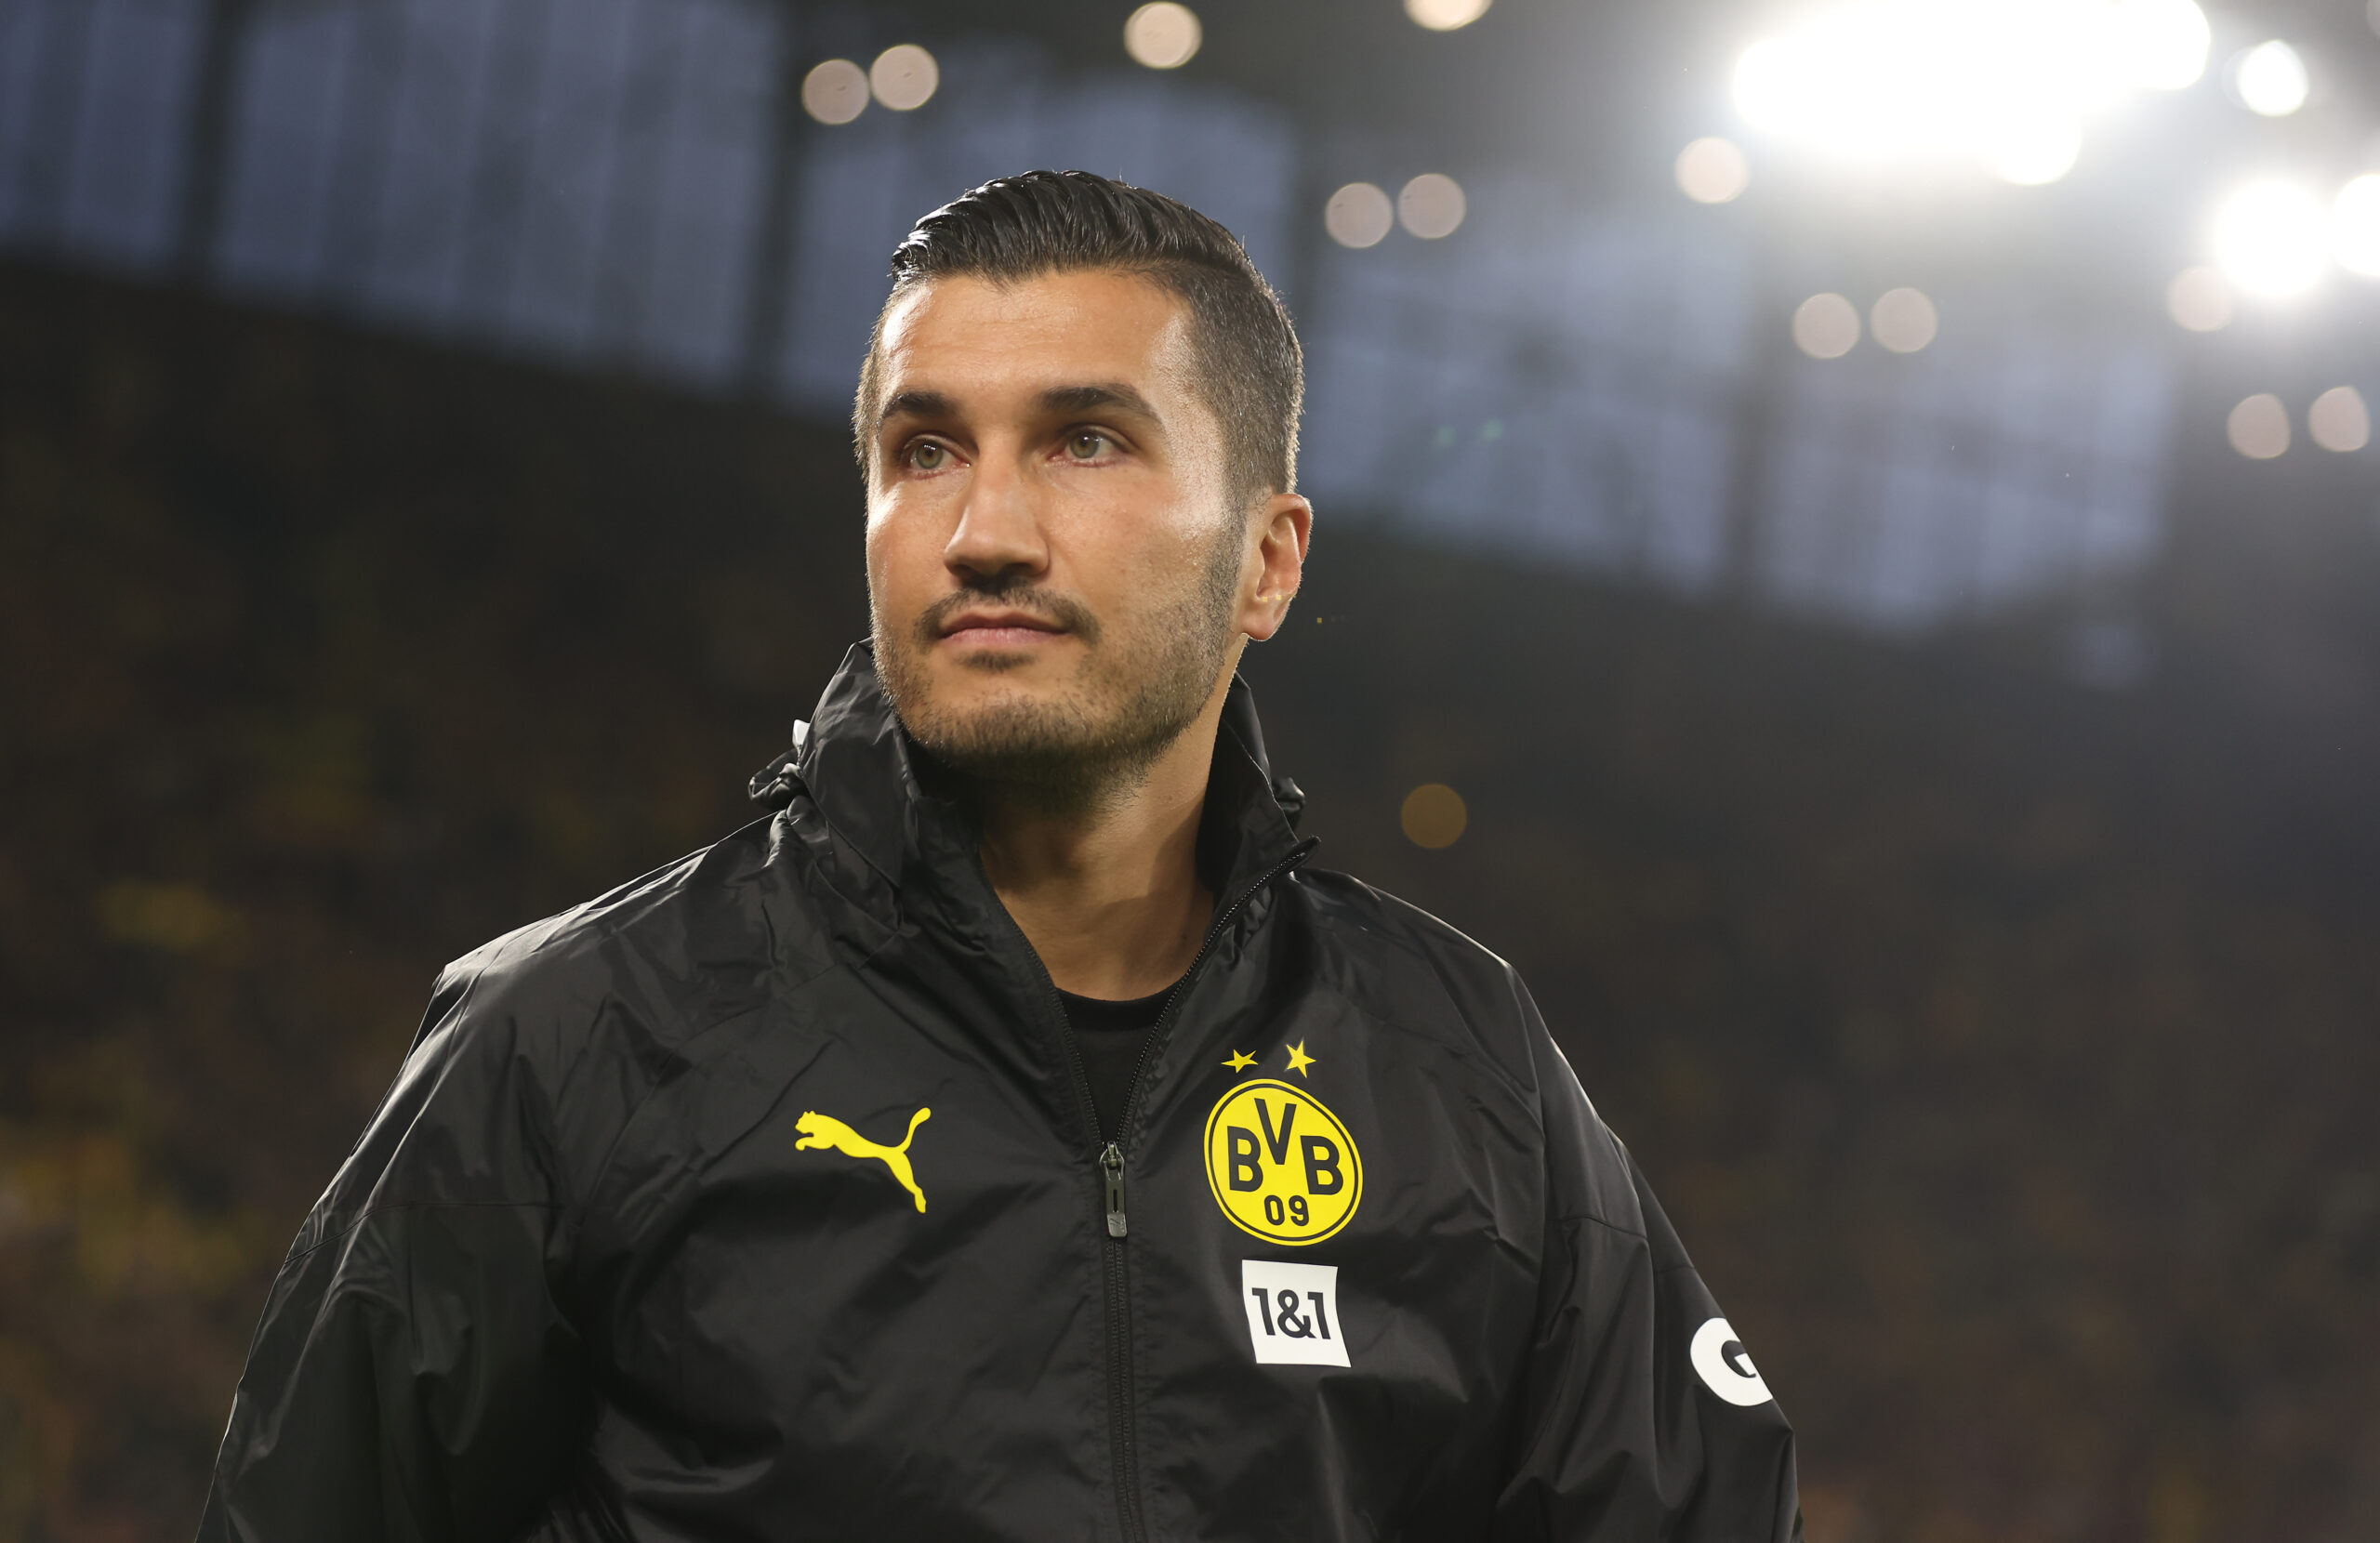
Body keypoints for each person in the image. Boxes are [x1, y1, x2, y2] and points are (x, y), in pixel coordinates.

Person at [198, 170, 1800, 1542]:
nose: (983, 533)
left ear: (1268, 560)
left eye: (1085, 441)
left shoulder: (1461, 1063)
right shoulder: (572, 1039)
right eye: (925, 450)